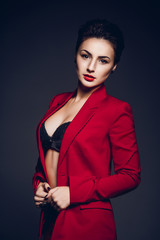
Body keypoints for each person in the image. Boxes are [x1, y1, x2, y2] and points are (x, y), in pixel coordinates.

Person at [33, 19, 141, 240]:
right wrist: (39, 185)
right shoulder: (58, 101)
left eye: (103, 61)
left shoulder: (117, 110)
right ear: (75, 55)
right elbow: (47, 159)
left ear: (114, 66)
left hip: (87, 225)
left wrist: (73, 193)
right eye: (86, 55)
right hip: (51, 220)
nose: (91, 67)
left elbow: (131, 176)